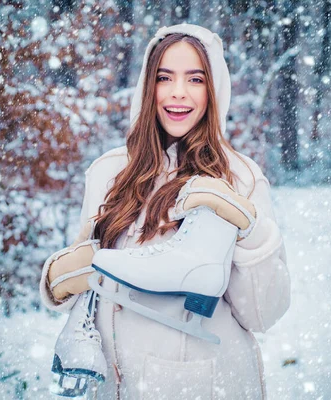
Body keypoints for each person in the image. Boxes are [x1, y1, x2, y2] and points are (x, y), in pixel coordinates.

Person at [40, 23, 290, 399]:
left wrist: (249, 228)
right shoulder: (110, 171)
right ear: (147, 86)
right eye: (164, 77)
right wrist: (59, 278)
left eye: (195, 79)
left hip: (204, 385)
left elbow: (263, 313)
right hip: (112, 387)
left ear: (213, 90)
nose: (178, 93)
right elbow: (89, 277)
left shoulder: (240, 177)